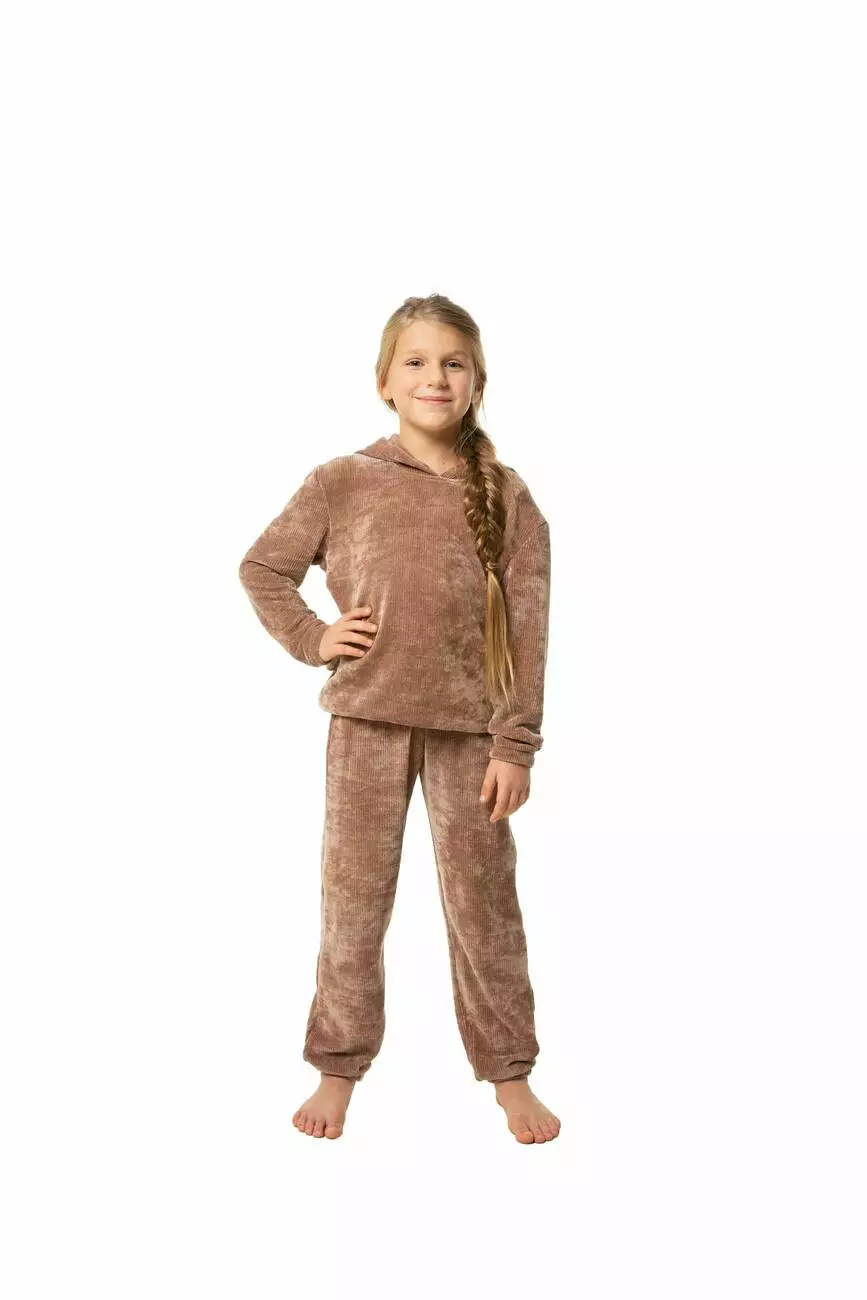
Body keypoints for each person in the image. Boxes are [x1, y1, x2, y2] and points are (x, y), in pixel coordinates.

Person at [238, 294, 560, 1145]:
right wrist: (313, 636)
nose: (434, 377)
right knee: (353, 903)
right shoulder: (342, 480)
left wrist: (515, 744)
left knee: (485, 908)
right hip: (365, 728)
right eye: (415, 361)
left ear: (477, 382)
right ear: (384, 381)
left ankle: (510, 1072)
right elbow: (263, 568)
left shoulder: (510, 497)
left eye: (453, 363)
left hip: (472, 738)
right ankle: (336, 1066)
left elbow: (528, 631)